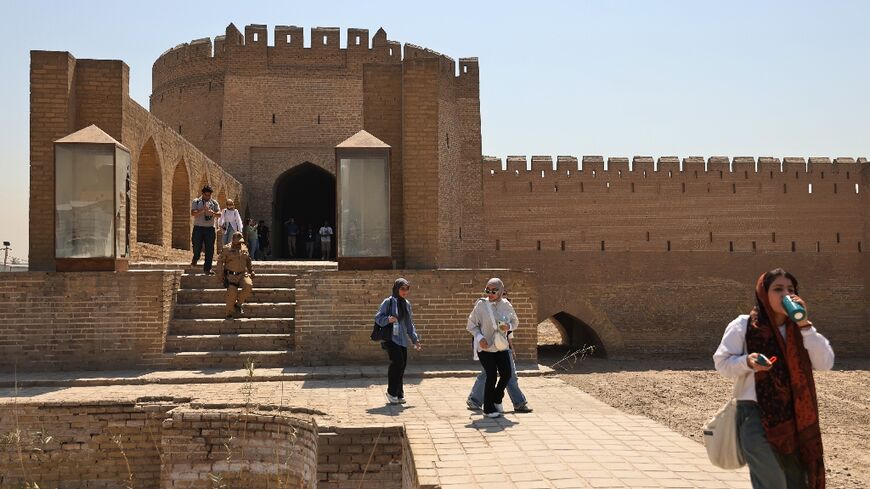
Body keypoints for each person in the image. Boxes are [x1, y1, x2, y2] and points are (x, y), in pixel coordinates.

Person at [714, 268, 834, 489]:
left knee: (795, 484)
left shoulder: (802, 330)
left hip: (795, 422)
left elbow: (825, 363)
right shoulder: (744, 325)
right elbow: (721, 363)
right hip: (755, 417)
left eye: (791, 289)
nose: (786, 294)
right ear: (763, 293)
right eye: (778, 289)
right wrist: (747, 362)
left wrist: (805, 325)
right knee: (772, 484)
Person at [466, 287, 532, 413]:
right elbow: (474, 326)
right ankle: (477, 400)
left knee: (508, 374)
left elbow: (508, 333)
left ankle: (516, 402)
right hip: (488, 347)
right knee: (489, 374)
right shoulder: (483, 306)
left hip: (503, 347)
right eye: (489, 292)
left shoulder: (506, 308)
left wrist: (511, 348)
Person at [374, 278, 422, 404]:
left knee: (402, 366)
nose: (405, 292)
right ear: (396, 288)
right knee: (397, 363)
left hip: (402, 340)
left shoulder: (406, 304)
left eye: (407, 289)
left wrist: (415, 340)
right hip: (391, 338)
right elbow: (378, 318)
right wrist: (388, 319)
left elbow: (409, 324)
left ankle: (399, 394)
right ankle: (391, 392)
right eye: (402, 289)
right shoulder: (388, 302)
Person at [215, 231, 255, 319]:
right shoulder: (226, 249)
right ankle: (229, 313)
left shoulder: (244, 248)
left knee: (248, 286)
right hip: (231, 275)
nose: (240, 243)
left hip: (242, 274)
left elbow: (248, 260)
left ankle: (238, 304)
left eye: (241, 241)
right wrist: (220, 274)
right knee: (232, 293)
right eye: (239, 241)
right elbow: (220, 262)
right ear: (233, 239)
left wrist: (251, 270)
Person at [190, 185, 221, 275]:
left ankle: (207, 268)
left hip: (210, 228)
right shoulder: (196, 201)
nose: (208, 197)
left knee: (210, 249)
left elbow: (219, 214)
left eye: (209, 195)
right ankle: (196, 257)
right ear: (202, 194)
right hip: (198, 227)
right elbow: (193, 213)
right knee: (196, 245)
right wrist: (203, 210)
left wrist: (213, 213)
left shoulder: (214, 203)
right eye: (206, 195)